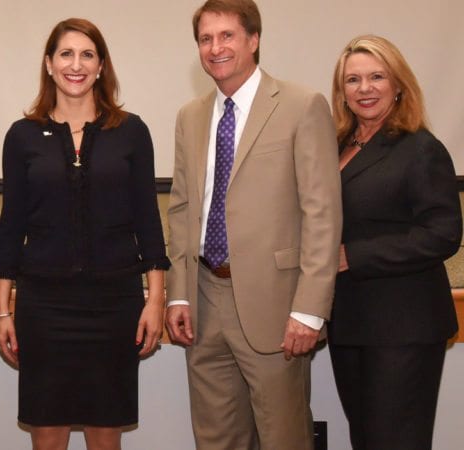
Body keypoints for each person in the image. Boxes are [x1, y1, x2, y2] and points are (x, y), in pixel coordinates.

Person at [165, 1, 342, 448]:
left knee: (284, 437)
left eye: (227, 36)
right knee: (217, 439)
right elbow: (183, 208)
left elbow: (322, 214)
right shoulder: (191, 116)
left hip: (277, 305)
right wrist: (178, 292)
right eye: (206, 39)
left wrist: (309, 309)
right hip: (203, 301)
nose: (215, 48)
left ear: (253, 40)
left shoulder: (303, 106)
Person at [0, 17, 170, 450]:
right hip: (44, 308)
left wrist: (155, 300)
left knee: (105, 439)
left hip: (115, 307)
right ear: (49, 64)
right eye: (66, 54)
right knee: (47, 437)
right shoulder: (22, 136)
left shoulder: (131, 131)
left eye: (87, 54)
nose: (76, 64)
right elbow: (11, 228)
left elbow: (148, 221)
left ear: (101, 65)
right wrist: (1, 311)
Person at [328, 34, 461, 450]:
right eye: (353, 80)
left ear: (398, 85)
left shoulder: (421, 148)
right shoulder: (336, 147)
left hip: (404, 327)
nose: (364, 89)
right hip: (350, 322)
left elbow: (443, 234)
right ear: (342, 92)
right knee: (365, 440)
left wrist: (354, 256)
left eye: (376, 77)